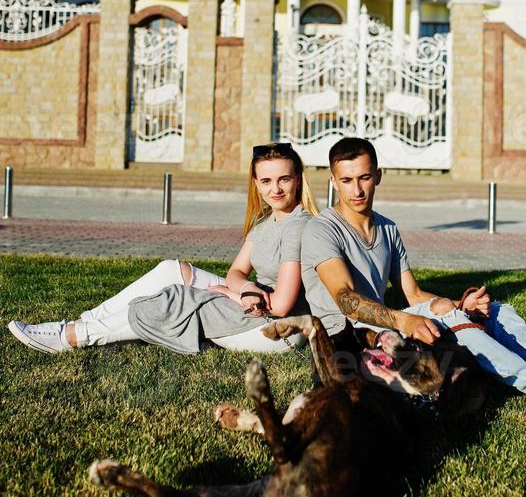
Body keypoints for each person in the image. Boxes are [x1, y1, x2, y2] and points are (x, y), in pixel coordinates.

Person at [301, 137, 526, 422]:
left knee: (497, 312)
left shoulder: (387, 228)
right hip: (348, 339)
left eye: (363, 177)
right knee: (453, 322)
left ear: (377, 175)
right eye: (346, 180)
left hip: (386, 324)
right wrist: (408, 318)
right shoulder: (323, 229)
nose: (356, 189)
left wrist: (459, 304)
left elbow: (412, 292)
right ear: (333, 181)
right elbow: (345, 298)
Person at [8, 143, 318, 355]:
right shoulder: (265, 223)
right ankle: (88, 319)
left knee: (175, 299)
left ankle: (73, 337)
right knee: (173, 271)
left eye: (284, 179)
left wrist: (229, 293)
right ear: (256, 183)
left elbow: (279, 305)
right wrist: (244, 286)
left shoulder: (298, 226)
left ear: (298, 180)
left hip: (277, 330)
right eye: (266, 181)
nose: (274, 189)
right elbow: (235, 271)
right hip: (253, 305)